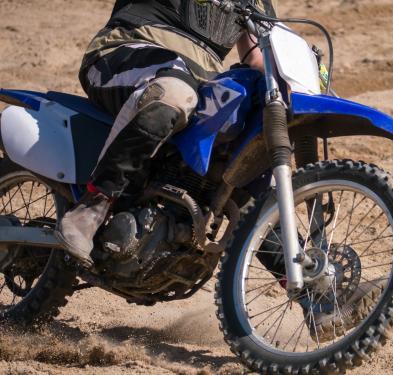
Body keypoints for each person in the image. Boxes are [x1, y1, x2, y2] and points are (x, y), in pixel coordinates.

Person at [55, 0, 277, 267]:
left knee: (250, 150)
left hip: (201, 80)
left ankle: (306, 279)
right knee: (173, 93)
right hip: (129, 49)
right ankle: (94, 204)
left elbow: (258, 56)